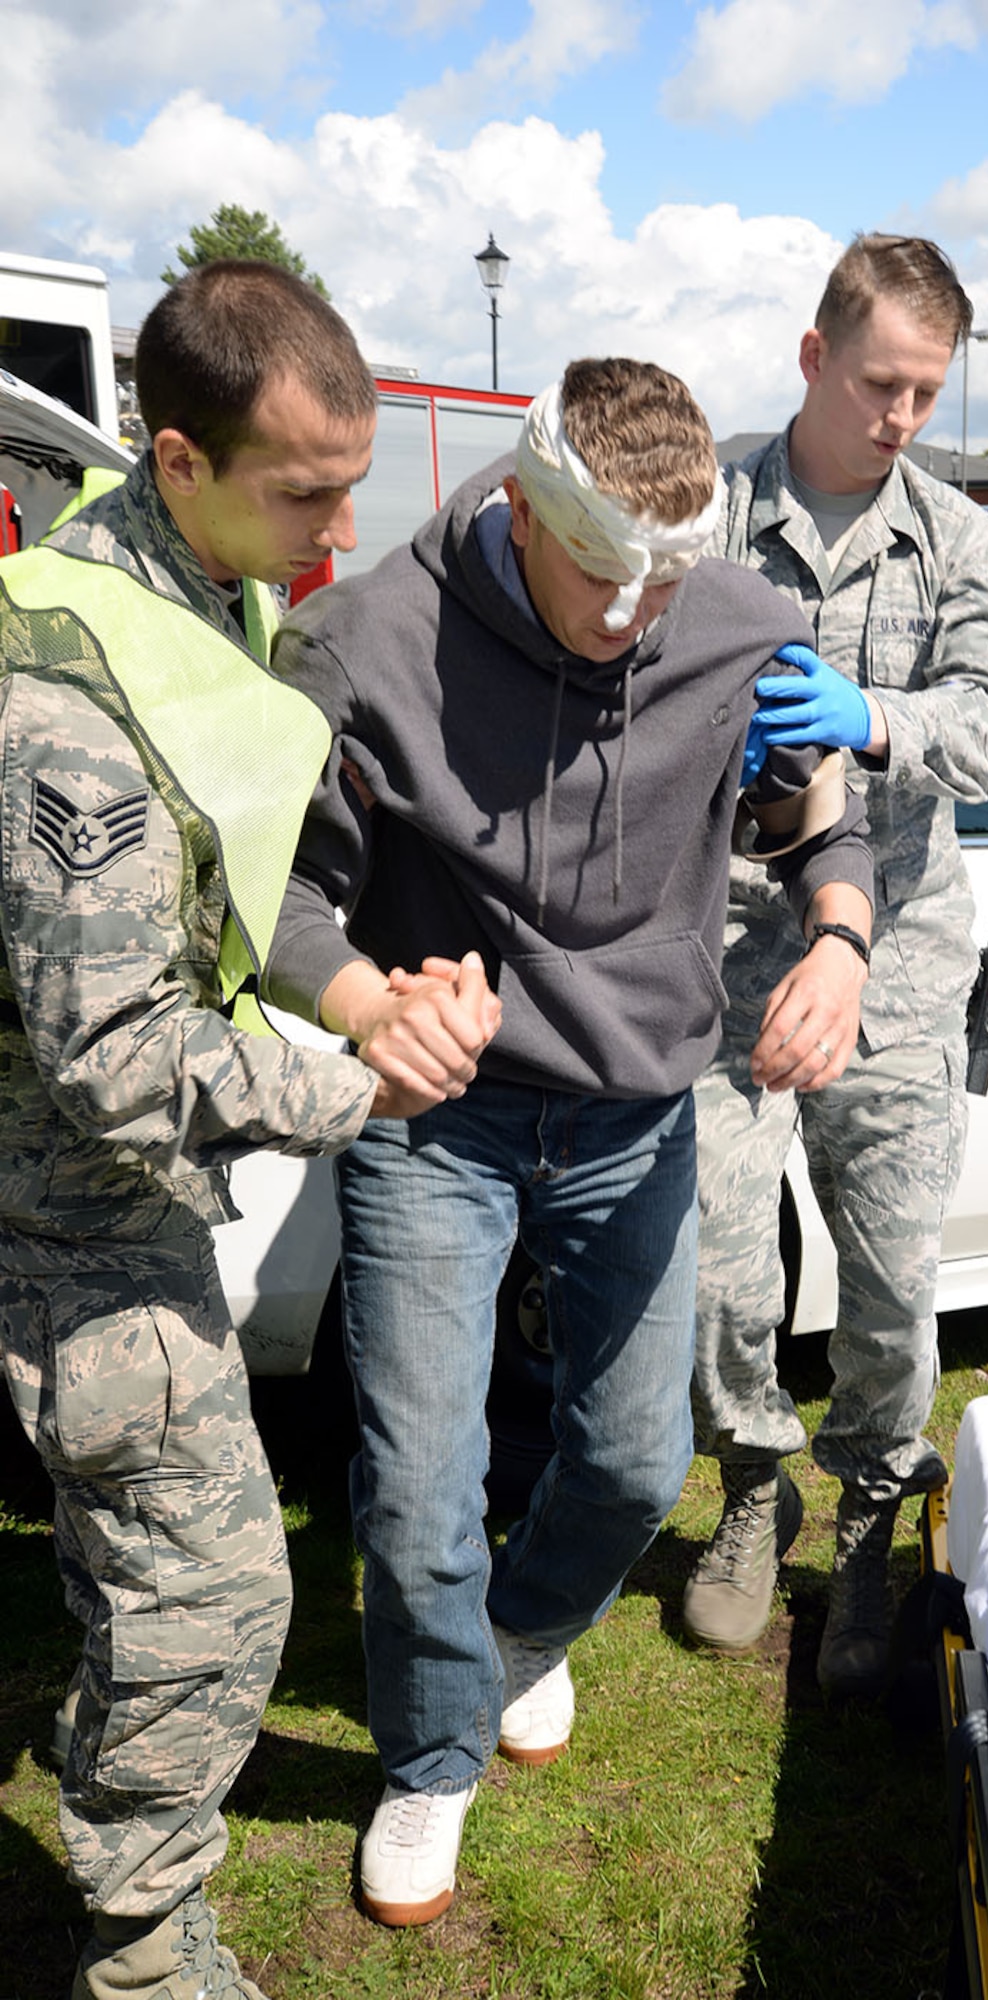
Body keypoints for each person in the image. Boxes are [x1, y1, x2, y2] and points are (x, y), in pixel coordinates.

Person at [261, 355, 875, 1930]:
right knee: (414, 1477)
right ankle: (432, 1751)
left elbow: (813, 810)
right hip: (435, 1120)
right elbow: (273, 889)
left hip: (633, 1110)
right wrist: (358, 996)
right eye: (603, 569)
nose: (631, 616)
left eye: (665, 574)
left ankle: (519, 1637)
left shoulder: (730, 618)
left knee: (625, 1459)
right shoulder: (360, 643)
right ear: (523, 501)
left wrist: (838, 933)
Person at [0, 260, 489, 2000]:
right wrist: (366, 1083)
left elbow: (227, 892)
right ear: (176, 454)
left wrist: (356, 995)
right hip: (66, 1214)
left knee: (146, 1570)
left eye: (352, 488)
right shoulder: (67, 701)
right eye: (306, 493)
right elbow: (113, 1052)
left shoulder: (200, 592)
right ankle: (143, 1957)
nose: (338, 531)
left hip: (109, 1205)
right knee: (213, 1600)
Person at [682, 234, 988, 1696]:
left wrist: (872, 716)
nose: (901, 416)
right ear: (812, 355)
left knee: (892, 1278)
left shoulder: (961, 540)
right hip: (709, 952)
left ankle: (876, 1521)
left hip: (889, 956)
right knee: (711, 1263)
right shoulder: (699, 512)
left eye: (927, 392)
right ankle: (752, 1485)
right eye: (881, 381)